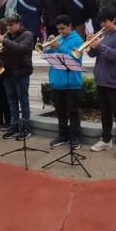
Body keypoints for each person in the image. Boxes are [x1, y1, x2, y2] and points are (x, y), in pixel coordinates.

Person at [87, 8, 116, 159]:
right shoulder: (103, 35)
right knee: (105, 113)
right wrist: (90, 44)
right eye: (101, 22)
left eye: (105, 21)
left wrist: (99, 45)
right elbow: (93, 54)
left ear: (113, 20)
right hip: (101, 79)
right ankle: (106, 140)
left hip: (114, 79)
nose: (102, 25)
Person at [0, 14, 34, 140]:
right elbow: (2, 52)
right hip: (8, 72)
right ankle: (13, 125)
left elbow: (21, 48)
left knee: (23, 101)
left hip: (21, 71)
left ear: (19, 24)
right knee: (11, 101)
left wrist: (3, 41)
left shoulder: (27, 35)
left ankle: (25, 127)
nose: (8, 28)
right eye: (7, 25)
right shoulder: (8, 36)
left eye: (11, 25)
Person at [44, 15, 84, 149]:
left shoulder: (77, 40)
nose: (60, 32)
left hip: (71, 82)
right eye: (58, 29)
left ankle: (76, 137)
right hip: (57, 81)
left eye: (63, 28)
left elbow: (75, 58)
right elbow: (46, 54)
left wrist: (59, 46)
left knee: (73, 112)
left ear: (70, 26)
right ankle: (63, 135)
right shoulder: (58, 38)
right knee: (60, 111)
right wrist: (48, 45)